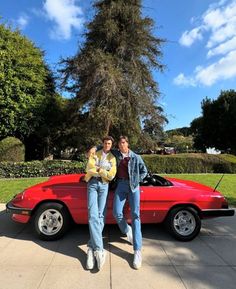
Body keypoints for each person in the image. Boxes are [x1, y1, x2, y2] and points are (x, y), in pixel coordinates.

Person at [90, 135, 148, 269]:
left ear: (127, 144)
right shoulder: (116, 153)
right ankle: (127, 230)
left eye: (123, 143)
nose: (121, 145)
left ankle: (137, 251)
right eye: (120, 143)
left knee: (135, 215)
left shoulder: (135, 157)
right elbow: (104, 146)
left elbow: (144, 171)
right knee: (116, 212)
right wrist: (94, 147)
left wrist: (137, 180)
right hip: (120, 186)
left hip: (134, 187)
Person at [84, 136, 117, 270]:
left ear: (111, 145)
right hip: (92, 184)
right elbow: (89, 169)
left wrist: (100, 170)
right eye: (105, 143)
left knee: (100, 215)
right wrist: (101, 171)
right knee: (93, 216)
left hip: (104, 186)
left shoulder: (113, 158)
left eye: (109, 143)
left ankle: (91, 248)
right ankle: (99, 250)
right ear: (102, 143)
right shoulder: (95, 153)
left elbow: (111, 175)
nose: (107, 145)